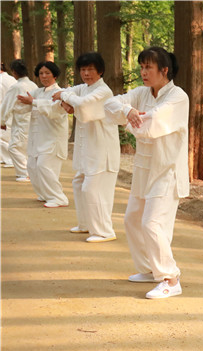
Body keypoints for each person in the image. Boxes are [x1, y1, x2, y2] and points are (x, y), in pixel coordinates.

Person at [104, 47, 189, 300]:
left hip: (167, 170)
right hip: (144, 169)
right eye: (141, 67)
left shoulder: (177, 97)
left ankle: (170, 278)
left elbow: (149, 124)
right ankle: (150, 268)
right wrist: (128, 111)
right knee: (132, 219)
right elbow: (110, 104)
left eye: (148, 67)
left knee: (152, 223)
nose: (143, 72)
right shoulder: (141, 93)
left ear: (164, 70)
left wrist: (128, 115)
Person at [52, 52, 120, 243]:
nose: (86, 73)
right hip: (87, 149)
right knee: (79, 183)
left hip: (102, 150)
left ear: (100, 71)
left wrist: (65, 97)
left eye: (90, 69)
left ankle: (104, 231)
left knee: (94, 189)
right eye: (83, 69)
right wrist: (67, 100)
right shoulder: (84, 88)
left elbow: (80, 104)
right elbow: (67, 100)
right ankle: (86, 224)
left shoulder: (103, 91)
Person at [17, 61, 69, 208]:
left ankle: (59, 197)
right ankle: (44, 194)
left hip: (53, 137)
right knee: (32, 166)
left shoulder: (60, 93)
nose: (44, 76)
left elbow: (53, 110)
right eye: (41, 73)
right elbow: (24, 103)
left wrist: (33, 102)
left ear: (55, 75)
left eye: (47, 73)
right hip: (37, 136)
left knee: (44, 166)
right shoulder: (38, 92)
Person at [0, 59, 38, 182]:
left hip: (21, 119)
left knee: (14, 147)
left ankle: (24, 172)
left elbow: (6, 105)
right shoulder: (33, 84)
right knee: (26, 147)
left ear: (14, 72)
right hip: (32, 119)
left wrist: (2, 121)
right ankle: (29, 171)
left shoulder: (16, 87)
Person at [0, 62, 18, 167]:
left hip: (5, 109)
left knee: (3, 137)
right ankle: (4, 157)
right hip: (10, 109)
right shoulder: (11, 79)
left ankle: (10, 159)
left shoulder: (3, 80)